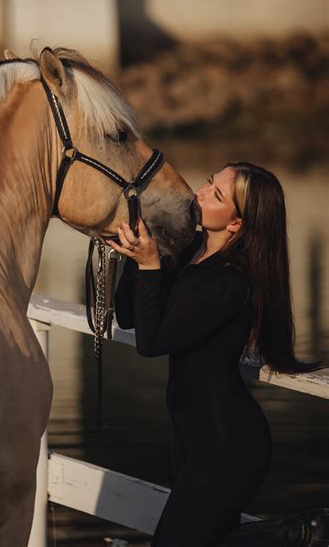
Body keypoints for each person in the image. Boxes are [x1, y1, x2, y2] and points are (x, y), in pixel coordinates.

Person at [106, 162, 327, 547]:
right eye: (210, 181)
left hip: (227, 445)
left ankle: (294, 533)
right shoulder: (189, 250)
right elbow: (128, 315)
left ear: (237, 224)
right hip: (189, 436)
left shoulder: (231, 282)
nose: (201, 192)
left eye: (217, 195)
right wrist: (136, 251)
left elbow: (152, 343)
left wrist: (149, 264)